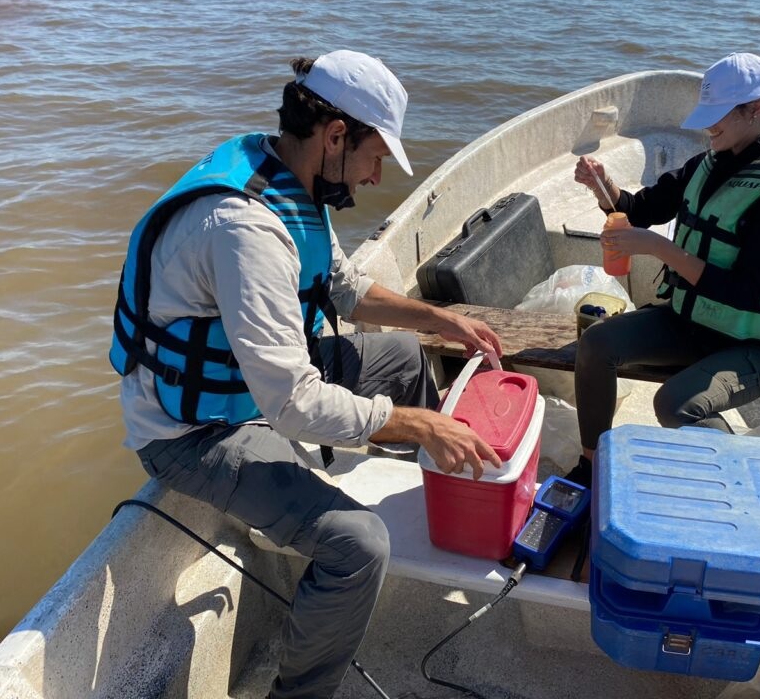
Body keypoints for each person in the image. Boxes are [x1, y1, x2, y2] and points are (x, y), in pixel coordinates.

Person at [109, 49, 504, 699]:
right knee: (359, 545)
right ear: (336, 135)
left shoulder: (290, 174)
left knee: (406, 357)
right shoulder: (247, 231)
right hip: (197, 433)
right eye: (377, 156)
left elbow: (343, 288)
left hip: (252, 380)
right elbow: (291, 404)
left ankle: (439, 512)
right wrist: (413, 423)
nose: (378, 176)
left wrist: (439, 319)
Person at [566, 52, 760, 488]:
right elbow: (640, 209)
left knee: (674, 405)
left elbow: (746, 291)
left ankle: (742, 476)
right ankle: (592, 467)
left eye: (718, 116)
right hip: (693, 322)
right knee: (596, 344)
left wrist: (658, 248)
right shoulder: (710, 162)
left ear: (755, 109)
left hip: (755, 344)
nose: (708, 126)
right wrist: (603, 185)